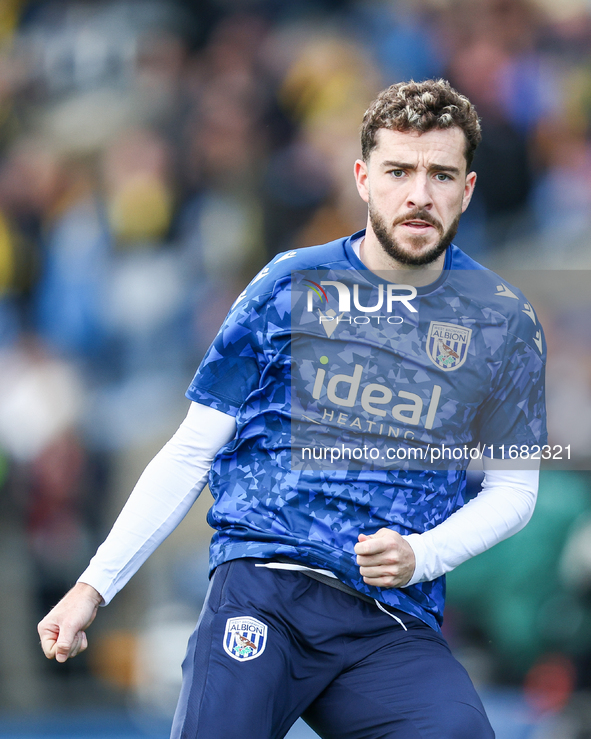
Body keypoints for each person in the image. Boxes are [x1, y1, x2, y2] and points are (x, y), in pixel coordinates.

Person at [38, 79, 546, 739]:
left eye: (439, 174)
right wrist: (92, 587)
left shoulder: (501, 320)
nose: (418, 194)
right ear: (363, 178)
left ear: (467, 189)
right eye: (398, 171)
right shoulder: (288, 285)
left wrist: (422, 554)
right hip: (264, 588)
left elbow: (514, 489)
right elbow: (195, 447)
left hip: (389, 619)